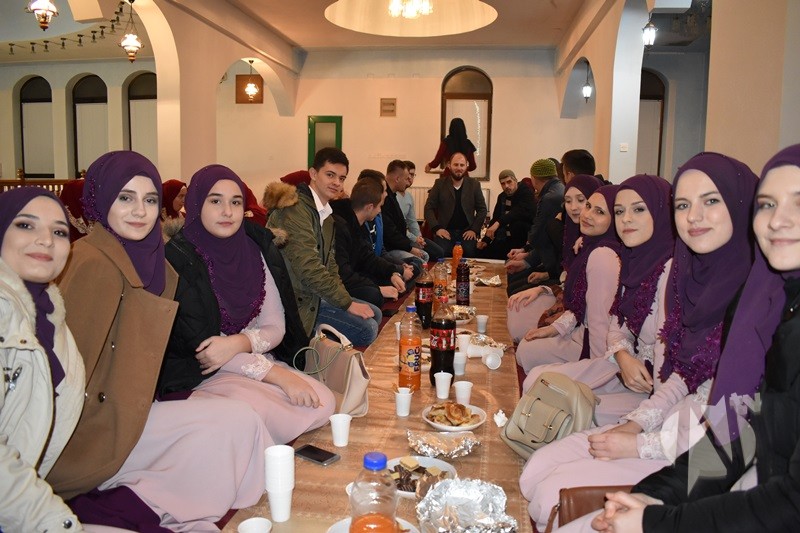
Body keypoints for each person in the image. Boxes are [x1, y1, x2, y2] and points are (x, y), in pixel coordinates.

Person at [521, 158, 759, 531]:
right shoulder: (687, 272)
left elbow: (737, 433)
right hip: (662, 415)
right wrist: (637, 423)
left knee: (550, 493)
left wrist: (640, 442)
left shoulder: (757, 300)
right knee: (533, 475)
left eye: (711, 201)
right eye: (684, 204)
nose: (693, 216)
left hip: (696, 457)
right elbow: (678, 369)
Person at [46, 151, 271, 531]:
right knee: (229, 426)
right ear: (102, 200)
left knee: (241, 420)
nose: (140, 211)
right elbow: (68, 373)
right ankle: (147, 500)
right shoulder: (92, 262)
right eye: (125, 197)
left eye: (150, 199)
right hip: (98, 425)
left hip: (139, 404)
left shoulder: (152, 261)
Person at [584, 145, 800, 533]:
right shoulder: (767, 303)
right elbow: (737, 436)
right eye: (767, 204)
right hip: (726, 487)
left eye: (798, 203)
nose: (777, 221)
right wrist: (653, 496)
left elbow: (790, 504)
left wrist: (658, 519)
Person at [160, 164, 335, 444]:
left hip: (252, 359)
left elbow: (275, 327)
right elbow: (205, 351)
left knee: (323, 402)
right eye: (215, 201)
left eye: (235, 202)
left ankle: (246, 438)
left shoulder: (254, 248)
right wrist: (279, 376)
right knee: (254, 414)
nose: (227, 212)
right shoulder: (178, 259)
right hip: (202, 373)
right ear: (196, 204)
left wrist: (238, 343)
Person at [0, 188, 85, 531]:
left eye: (59, 232)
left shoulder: (50, 315)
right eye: (25, 225)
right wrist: (55, 521)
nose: (46, 240)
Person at [264, 147, 380, 345]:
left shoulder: (325, 214)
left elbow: (331, 266)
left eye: (342, 178)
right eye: (330, 175)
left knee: (375, 313)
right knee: (368, 330)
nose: (337, 183)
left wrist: (345, 300)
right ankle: (314, 339)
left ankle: (324, 334)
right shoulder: (295, 210)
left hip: (312, 292)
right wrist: (347, 303)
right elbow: (308, 268)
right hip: (293, 299)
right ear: (313, 174)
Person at [514, 184, 621, 374]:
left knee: (528, 357)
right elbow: (577, 299)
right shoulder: (586, 242)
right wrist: (554, 326)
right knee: (521, 331)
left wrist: (594, 373)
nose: (580, 211)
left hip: (595, 346)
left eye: (599, 211)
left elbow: (599, 324)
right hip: (577, 326)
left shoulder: (603, 255)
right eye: (588, 206)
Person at [507, 174, 602, 342]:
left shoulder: (600, 246)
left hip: (586, 324)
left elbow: (588, 302)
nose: (574, 208)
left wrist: (555, 328)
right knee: (517, 307)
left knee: (527, 347)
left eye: (582, 201)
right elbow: (567, 276)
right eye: (568, 201)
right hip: (564, 294)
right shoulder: (572, 231)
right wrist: (543, 288)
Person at [330, 175, 413, 309]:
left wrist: (393, 272)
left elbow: (368, 257)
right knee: (374, 295)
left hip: (355, 275)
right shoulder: (340, 227)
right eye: (379, 206)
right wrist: (378, 288)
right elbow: (343, 274)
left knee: (391, 281)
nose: (380, 210)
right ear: (369, 207)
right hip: (340, 283)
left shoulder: (357, 222)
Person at [507, 158, 566, 295]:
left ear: (534, 178)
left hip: (552, 265)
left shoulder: (549, 198)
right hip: (551, 260)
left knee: (513, 286)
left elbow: (537, 234)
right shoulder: (560, 189)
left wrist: (526, 254)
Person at [423, 152, 488, 258]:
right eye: (456, 164)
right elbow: (428, 207)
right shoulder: (439, 184)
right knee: (441, 253)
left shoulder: (474, 184)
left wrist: (474, 230)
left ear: (466, 166)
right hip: (445, 231)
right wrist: (437, 228)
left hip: (467, 231)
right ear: (449, 165)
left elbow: (482, 209)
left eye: (462, 165)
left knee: (470, 253)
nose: (459, 168)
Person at [478, 169, 537, 259]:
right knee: (481, 253)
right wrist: (486, 240)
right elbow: (495, 218)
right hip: (504, 238)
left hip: (522, 239)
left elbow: (517, 212)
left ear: (515, 180)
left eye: (509, 182)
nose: (506, 186)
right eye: (503, 183)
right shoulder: (502, 196)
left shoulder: (526, 192)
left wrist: (498, 223)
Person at [381, 159, 426, 273]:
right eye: (406, 179)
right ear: (397, 179)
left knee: (425, 255)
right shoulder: (385, 198)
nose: (408, 182)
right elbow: (390, 232)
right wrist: (410, 248)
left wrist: (416, 240)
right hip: (389, 248)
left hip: (399, 243)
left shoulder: (392, 195)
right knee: (419, 261)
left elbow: (408, 222)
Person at [397, 160, 444, 261]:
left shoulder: (409, 196)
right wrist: (414, 239)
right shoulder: (394, 196)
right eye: (408, 174)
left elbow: (412, 221)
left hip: (411, 237)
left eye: (413, 175)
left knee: (439, 252)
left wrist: (419, 238)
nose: (410, 178)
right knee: (424, 256)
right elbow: (397, 227)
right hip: (400, 237)